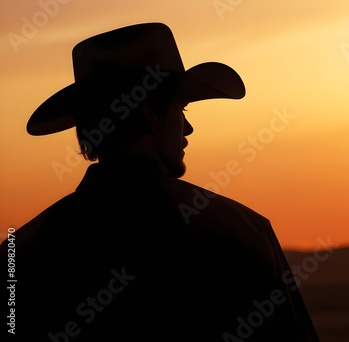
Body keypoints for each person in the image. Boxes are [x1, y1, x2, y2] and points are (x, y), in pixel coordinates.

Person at [1, 23, 319, 341]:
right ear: (151, 114)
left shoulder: (21, 253)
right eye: (180, 108)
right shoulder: (242, 230)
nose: (189, 127)